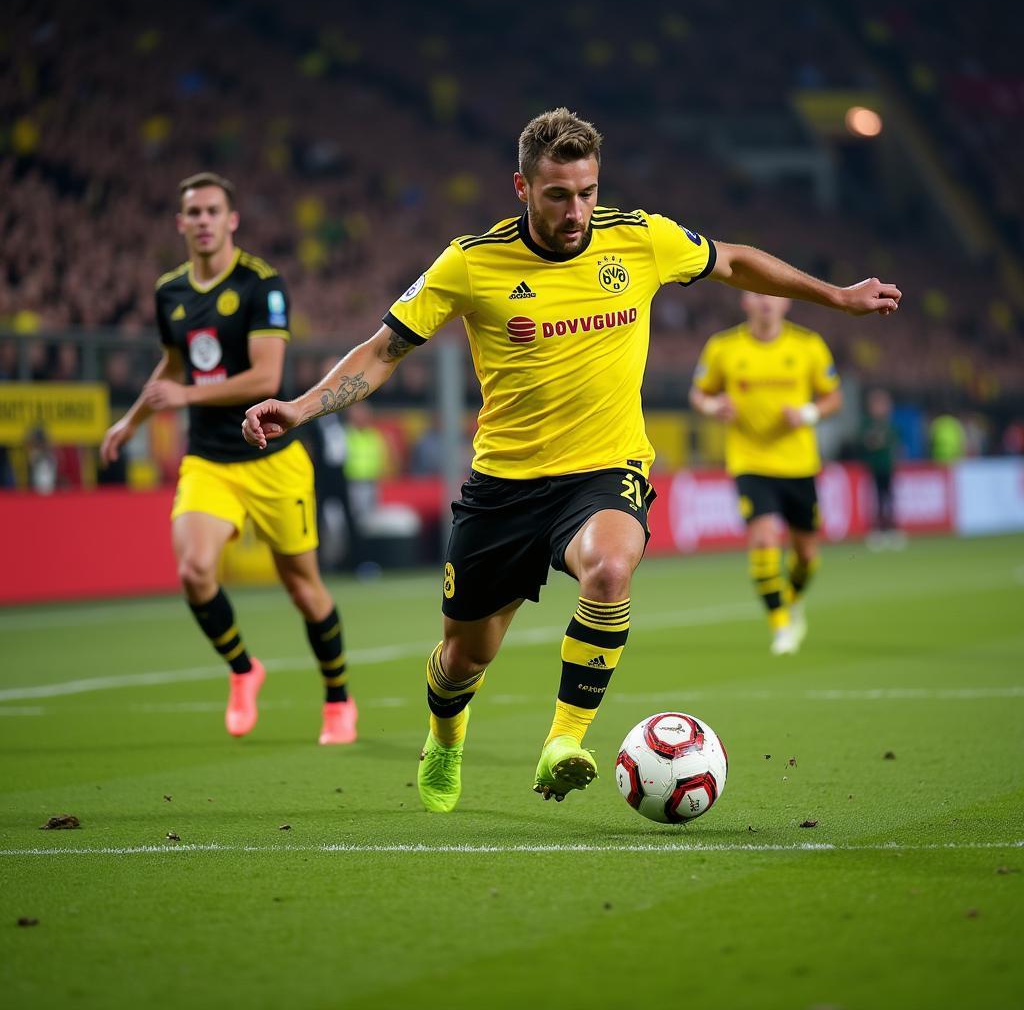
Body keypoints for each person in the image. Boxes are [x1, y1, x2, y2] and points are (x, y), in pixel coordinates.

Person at [242, 108, 900, 811]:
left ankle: (565, 740)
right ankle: (445, 735)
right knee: (465, 658)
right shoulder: (471, 261)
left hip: (604, 469)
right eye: (559, 194)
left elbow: (733, 259)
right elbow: (381, 352)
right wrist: (301, 407)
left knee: (611, 568)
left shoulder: (641, 240)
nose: (577, 209)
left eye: (587, 191)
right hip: (502, 486)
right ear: (521, 188)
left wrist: (836, 297)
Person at [100, 172, 356, 745]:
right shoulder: (170, 292)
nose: (204, 221)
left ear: (231, 219)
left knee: (303, 589)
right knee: (194, 571)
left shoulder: (263, 284)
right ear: (181, 224)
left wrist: (187, 395)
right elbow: (172, 365)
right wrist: (130, 421)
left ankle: (338, 699)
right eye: (194, 212)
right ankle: (244, 669)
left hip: (274, 458)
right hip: (210, 460)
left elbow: (267, 376)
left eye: (214, 211)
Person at [690, 293, 844, 655]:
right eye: (757, 294)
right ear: (744, 301)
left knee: (806, 555)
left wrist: (807, 414)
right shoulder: (723, 347)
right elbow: (699, 394)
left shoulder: (808, 345)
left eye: (773, 295)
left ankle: (791, 600)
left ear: (786, 303)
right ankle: (781, 626)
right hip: (750, 461)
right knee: (762, 540)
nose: (765, 302)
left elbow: (833, 397)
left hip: (799, 464)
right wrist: (714, 405)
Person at [860, 387, 905, 550]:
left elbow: (896, 445)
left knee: (889, 499)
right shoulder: (867, 424)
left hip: (888, 467)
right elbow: (867, 443)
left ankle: (892, 530)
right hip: (875, 468)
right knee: (876, 500)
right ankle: (877, 531)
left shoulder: (890, 425)